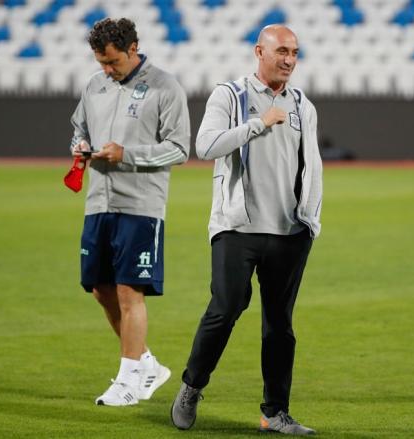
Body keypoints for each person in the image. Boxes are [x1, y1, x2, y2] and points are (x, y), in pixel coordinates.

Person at [170, 24, 322, 435]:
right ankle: (191, 386)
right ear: (259, 51)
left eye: (295, 52)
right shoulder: (230, 96)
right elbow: (205, 146)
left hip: (289, 233)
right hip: (236, 228)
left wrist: (311, 221)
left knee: (280, 325)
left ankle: (275, 413)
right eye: (282, 51)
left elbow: (314, 168)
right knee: (225, 308)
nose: (289, 59)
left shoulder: (303, 105)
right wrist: (258, 125)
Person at [70, 17, 191, 406]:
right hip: (98, 201)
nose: (106, 70)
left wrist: (127, 155)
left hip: (141, 204)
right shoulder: (95, 84)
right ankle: (146, 364)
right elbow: (78, 126)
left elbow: (179, 149)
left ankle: (127, 380)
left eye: (113, 62)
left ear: (133, 48)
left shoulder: (165, 86)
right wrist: (81, 143)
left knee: (128, 289)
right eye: (101, 62)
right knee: (101, 290)